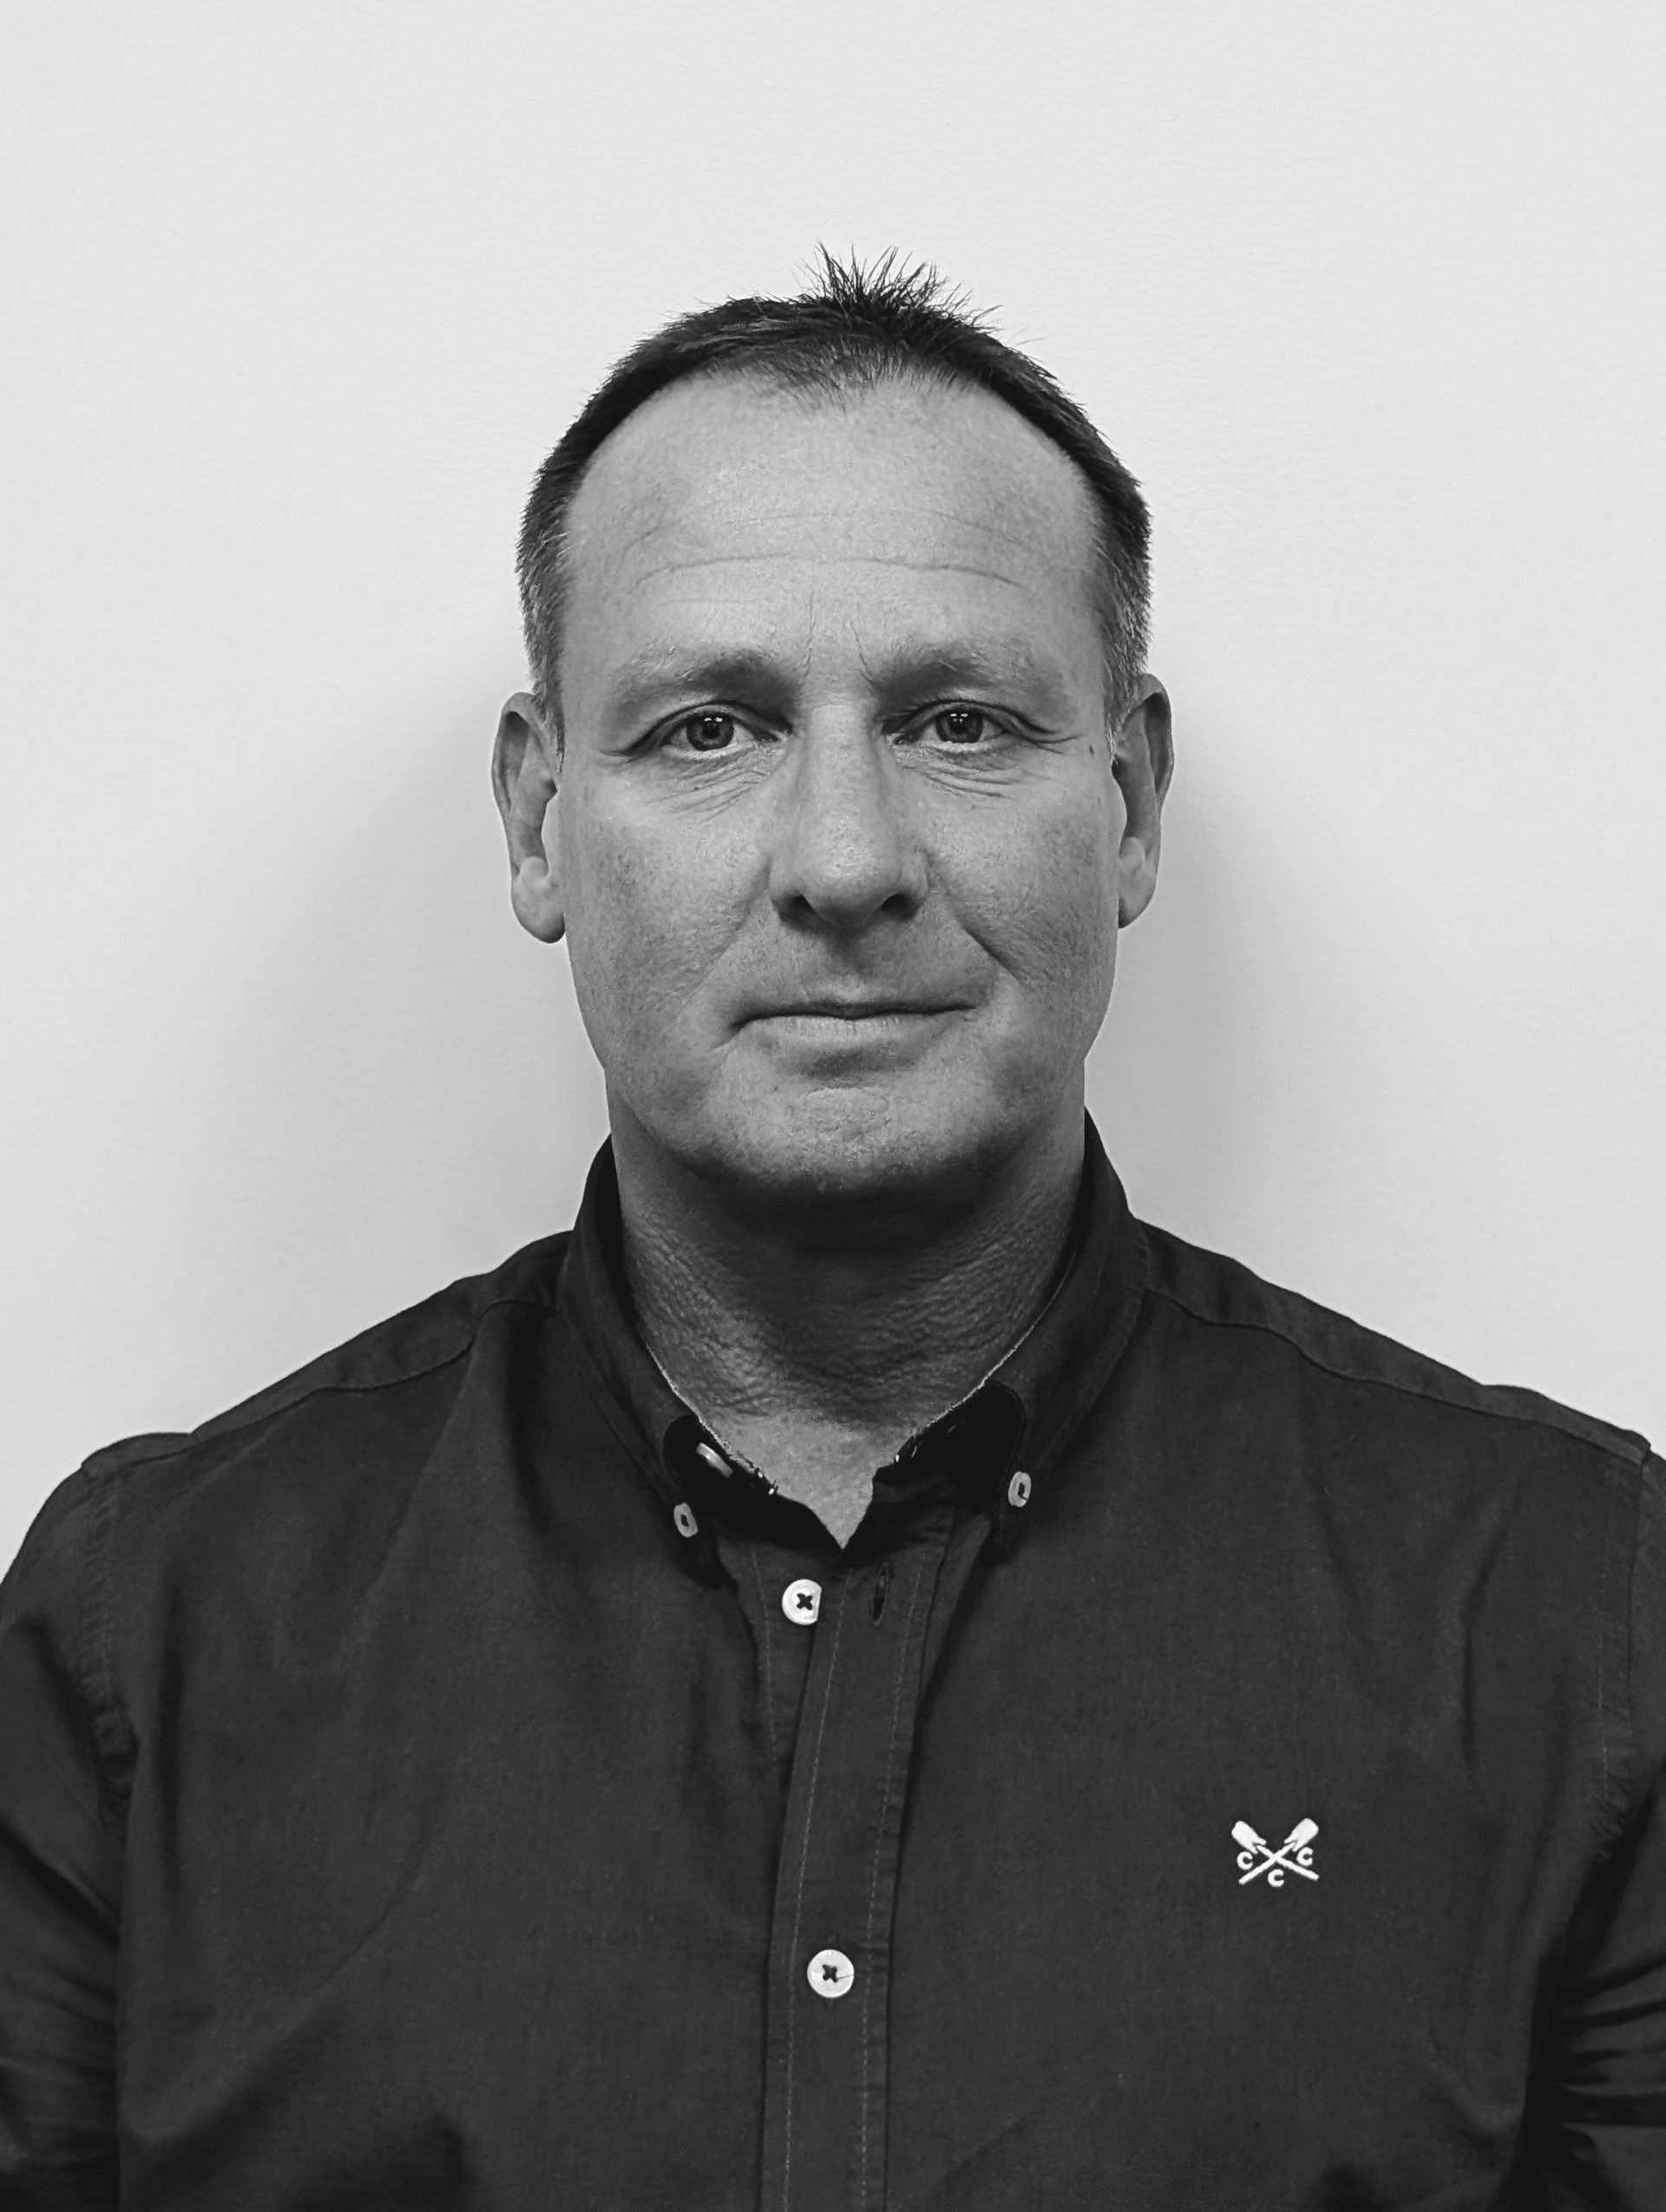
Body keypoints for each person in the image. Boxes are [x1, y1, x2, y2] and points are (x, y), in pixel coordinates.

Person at [2, 253, 1660, 2210]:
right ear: (539, 822)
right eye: (710, 729)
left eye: (962, 723)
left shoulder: (1571, 1611)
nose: (847, 861)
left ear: (1129, 804)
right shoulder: (155, 1628)